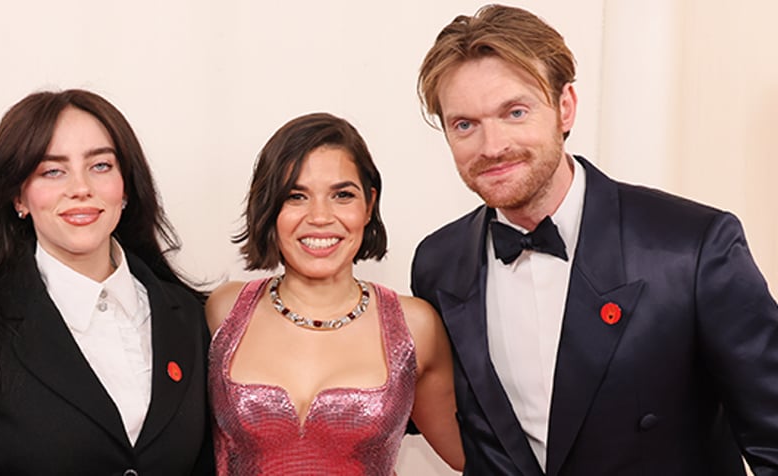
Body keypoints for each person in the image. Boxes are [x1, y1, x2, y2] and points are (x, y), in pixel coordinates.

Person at [411, 4, 778, 476]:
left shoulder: (692, 247)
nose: (492, 146)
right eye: (465, 124)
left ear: (565, 106)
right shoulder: (437, 263)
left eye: (515, 111)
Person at [0, 89, 213, 475]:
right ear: (19, 198)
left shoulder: (187, 319)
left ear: (126, 186)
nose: (81, 188)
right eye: (52, 171)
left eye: (100, 166)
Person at [205, 112, 464, 474]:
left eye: (342, 195)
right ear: (270, 206)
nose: (321, 217)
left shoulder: (415, 326)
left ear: (369, 205)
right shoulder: (224, 311)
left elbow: (475, 457)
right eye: (296, 196)